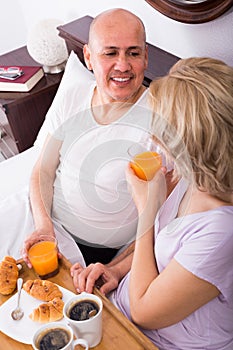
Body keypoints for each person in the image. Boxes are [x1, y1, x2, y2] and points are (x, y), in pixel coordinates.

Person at [70, 57, 233, 349]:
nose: (154, 138)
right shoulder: (191, 175)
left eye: (163, 130)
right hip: (121, 307)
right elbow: (163, 247)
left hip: (154, 339)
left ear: (195, 143)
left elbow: (145, 312)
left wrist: (146, 209)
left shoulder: (222, 230)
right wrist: (117, 271)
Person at [18, 8, 152, 266]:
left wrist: (113, 270)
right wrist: (44, 227)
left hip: (92, 254)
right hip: (40, 219)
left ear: (145, 57)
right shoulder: (73, 97)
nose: (122, 65)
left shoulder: (160, 120)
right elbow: (43, 171)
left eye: (133, 53)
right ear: (89, 57)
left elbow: (159, 224)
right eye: (110, 53)